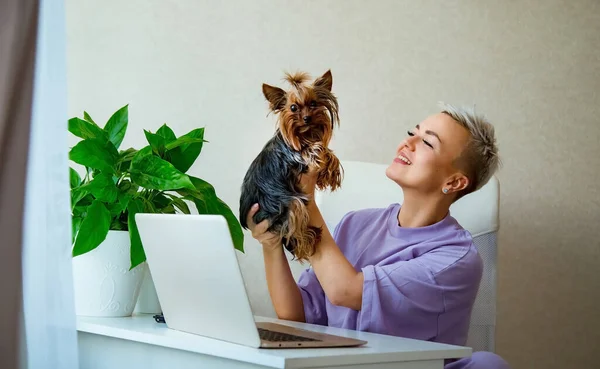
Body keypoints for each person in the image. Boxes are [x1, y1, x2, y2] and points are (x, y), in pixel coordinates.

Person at [246, 103, 510, 369]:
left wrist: (305, 201)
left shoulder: (456, 259)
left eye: (428, 143)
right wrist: (271, 245)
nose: (408, 143)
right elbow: (295, 316)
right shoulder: (355, 224)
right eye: (412, 132)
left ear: (453, 182)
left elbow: (345, 292)